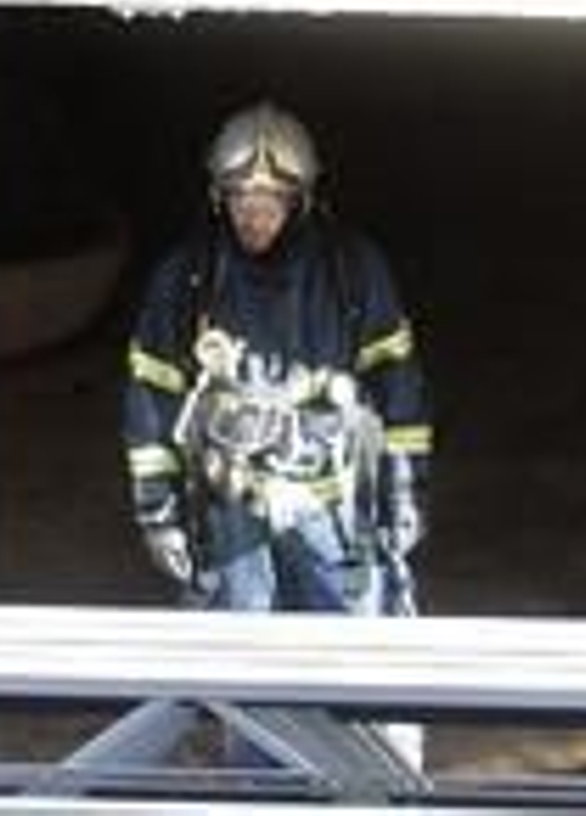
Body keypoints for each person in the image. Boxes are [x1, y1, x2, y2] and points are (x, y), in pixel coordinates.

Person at [122, 101, 431, 614]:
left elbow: (398, 387)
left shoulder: (352, 272)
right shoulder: (188, 278)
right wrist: (158, 511)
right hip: (232, 515)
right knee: (235, 667)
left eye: (270, 201)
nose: (254, 216)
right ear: (218, 197)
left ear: (301, 200)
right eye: (241, 199)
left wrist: (404, 492)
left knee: (356, 661)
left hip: (334, 511)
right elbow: (151, 397)